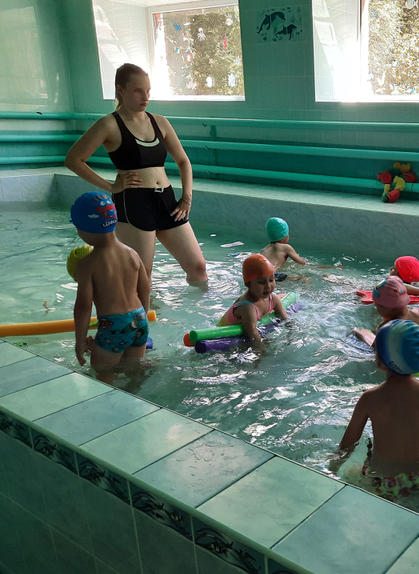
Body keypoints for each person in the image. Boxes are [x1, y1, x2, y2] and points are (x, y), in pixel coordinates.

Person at [64, 63, 207, 288]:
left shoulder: (159, 121)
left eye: (148, 91)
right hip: (134, 203)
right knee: (142, 275)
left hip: (167, 201)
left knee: (198, 267)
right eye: (138, 91)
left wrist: (186, 197)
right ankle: (144, 311)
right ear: (121, 90)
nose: (145, 97)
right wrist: (111, 187)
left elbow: (183, 161)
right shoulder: (108, 124)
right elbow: (73, 160)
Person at [338, 320, 419, 492]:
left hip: (384, 480)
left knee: (351, 473)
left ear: (380, 360)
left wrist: (333, 466)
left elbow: (348, 443)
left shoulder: (370, 397)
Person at [70, 192, 150, 384]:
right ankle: (135, 394)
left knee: (102, 373)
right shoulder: (132, 253)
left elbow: (83, 306)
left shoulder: (87, 264)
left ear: (85, 228)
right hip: (140, 319)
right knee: (134, 369)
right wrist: (141, 319)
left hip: (113, 325)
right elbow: (145, 289)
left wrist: (80, 342)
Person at [219, 254, 288, 351]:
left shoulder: (273, 298)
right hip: (225, 337)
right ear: (248, 284)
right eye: (261, 282)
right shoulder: (247, 307)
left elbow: (286, 319)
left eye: (271, 280)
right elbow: (253, 334)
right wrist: (261, 349)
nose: (268, 286)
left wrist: (290, 333)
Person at [353, 276, 419, 346]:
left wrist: (361, 335)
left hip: (409, 358)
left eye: (377, 306)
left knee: (356, 333)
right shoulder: (417, 313)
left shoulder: (386, 327)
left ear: (386, 308)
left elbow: (377, 350)